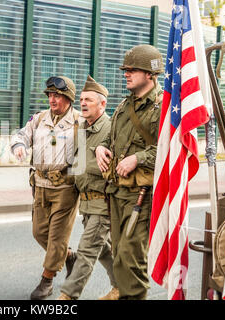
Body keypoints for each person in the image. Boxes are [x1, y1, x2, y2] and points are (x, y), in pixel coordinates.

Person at [95, 44, 163, 300]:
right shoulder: (125, 106)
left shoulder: (162, 106)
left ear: (149, 74)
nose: (126, 73)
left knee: (131, 258)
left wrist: (139, 158)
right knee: (120, 259)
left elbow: (171, 152)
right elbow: (112, 140)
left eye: (133, 69)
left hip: (141, 196)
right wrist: (100, 149)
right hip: (117, 193)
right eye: (126, 69)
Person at [10, 76, 80, 300]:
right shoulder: (39, 119)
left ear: (68, 98)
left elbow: (84, 162)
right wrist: (19, 146)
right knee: (39, 232)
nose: (52, 99)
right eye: (50, 95)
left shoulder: (80, 122)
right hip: (40, 185)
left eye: (57, 95)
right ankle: (69, 257)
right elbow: (22, 134)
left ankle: (47, 280)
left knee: (58, 236)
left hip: (66, 189)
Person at [57, 76, 118, 301]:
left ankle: (67, 297)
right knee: (103, 249)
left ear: (102, 104)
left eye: (89, 100)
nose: (83, 103)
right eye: (81, 99)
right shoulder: (82, 127)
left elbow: (114, 165)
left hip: (104, 202)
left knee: (86, 251)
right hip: (86, 202)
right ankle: (121, 286)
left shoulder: (112, 128)